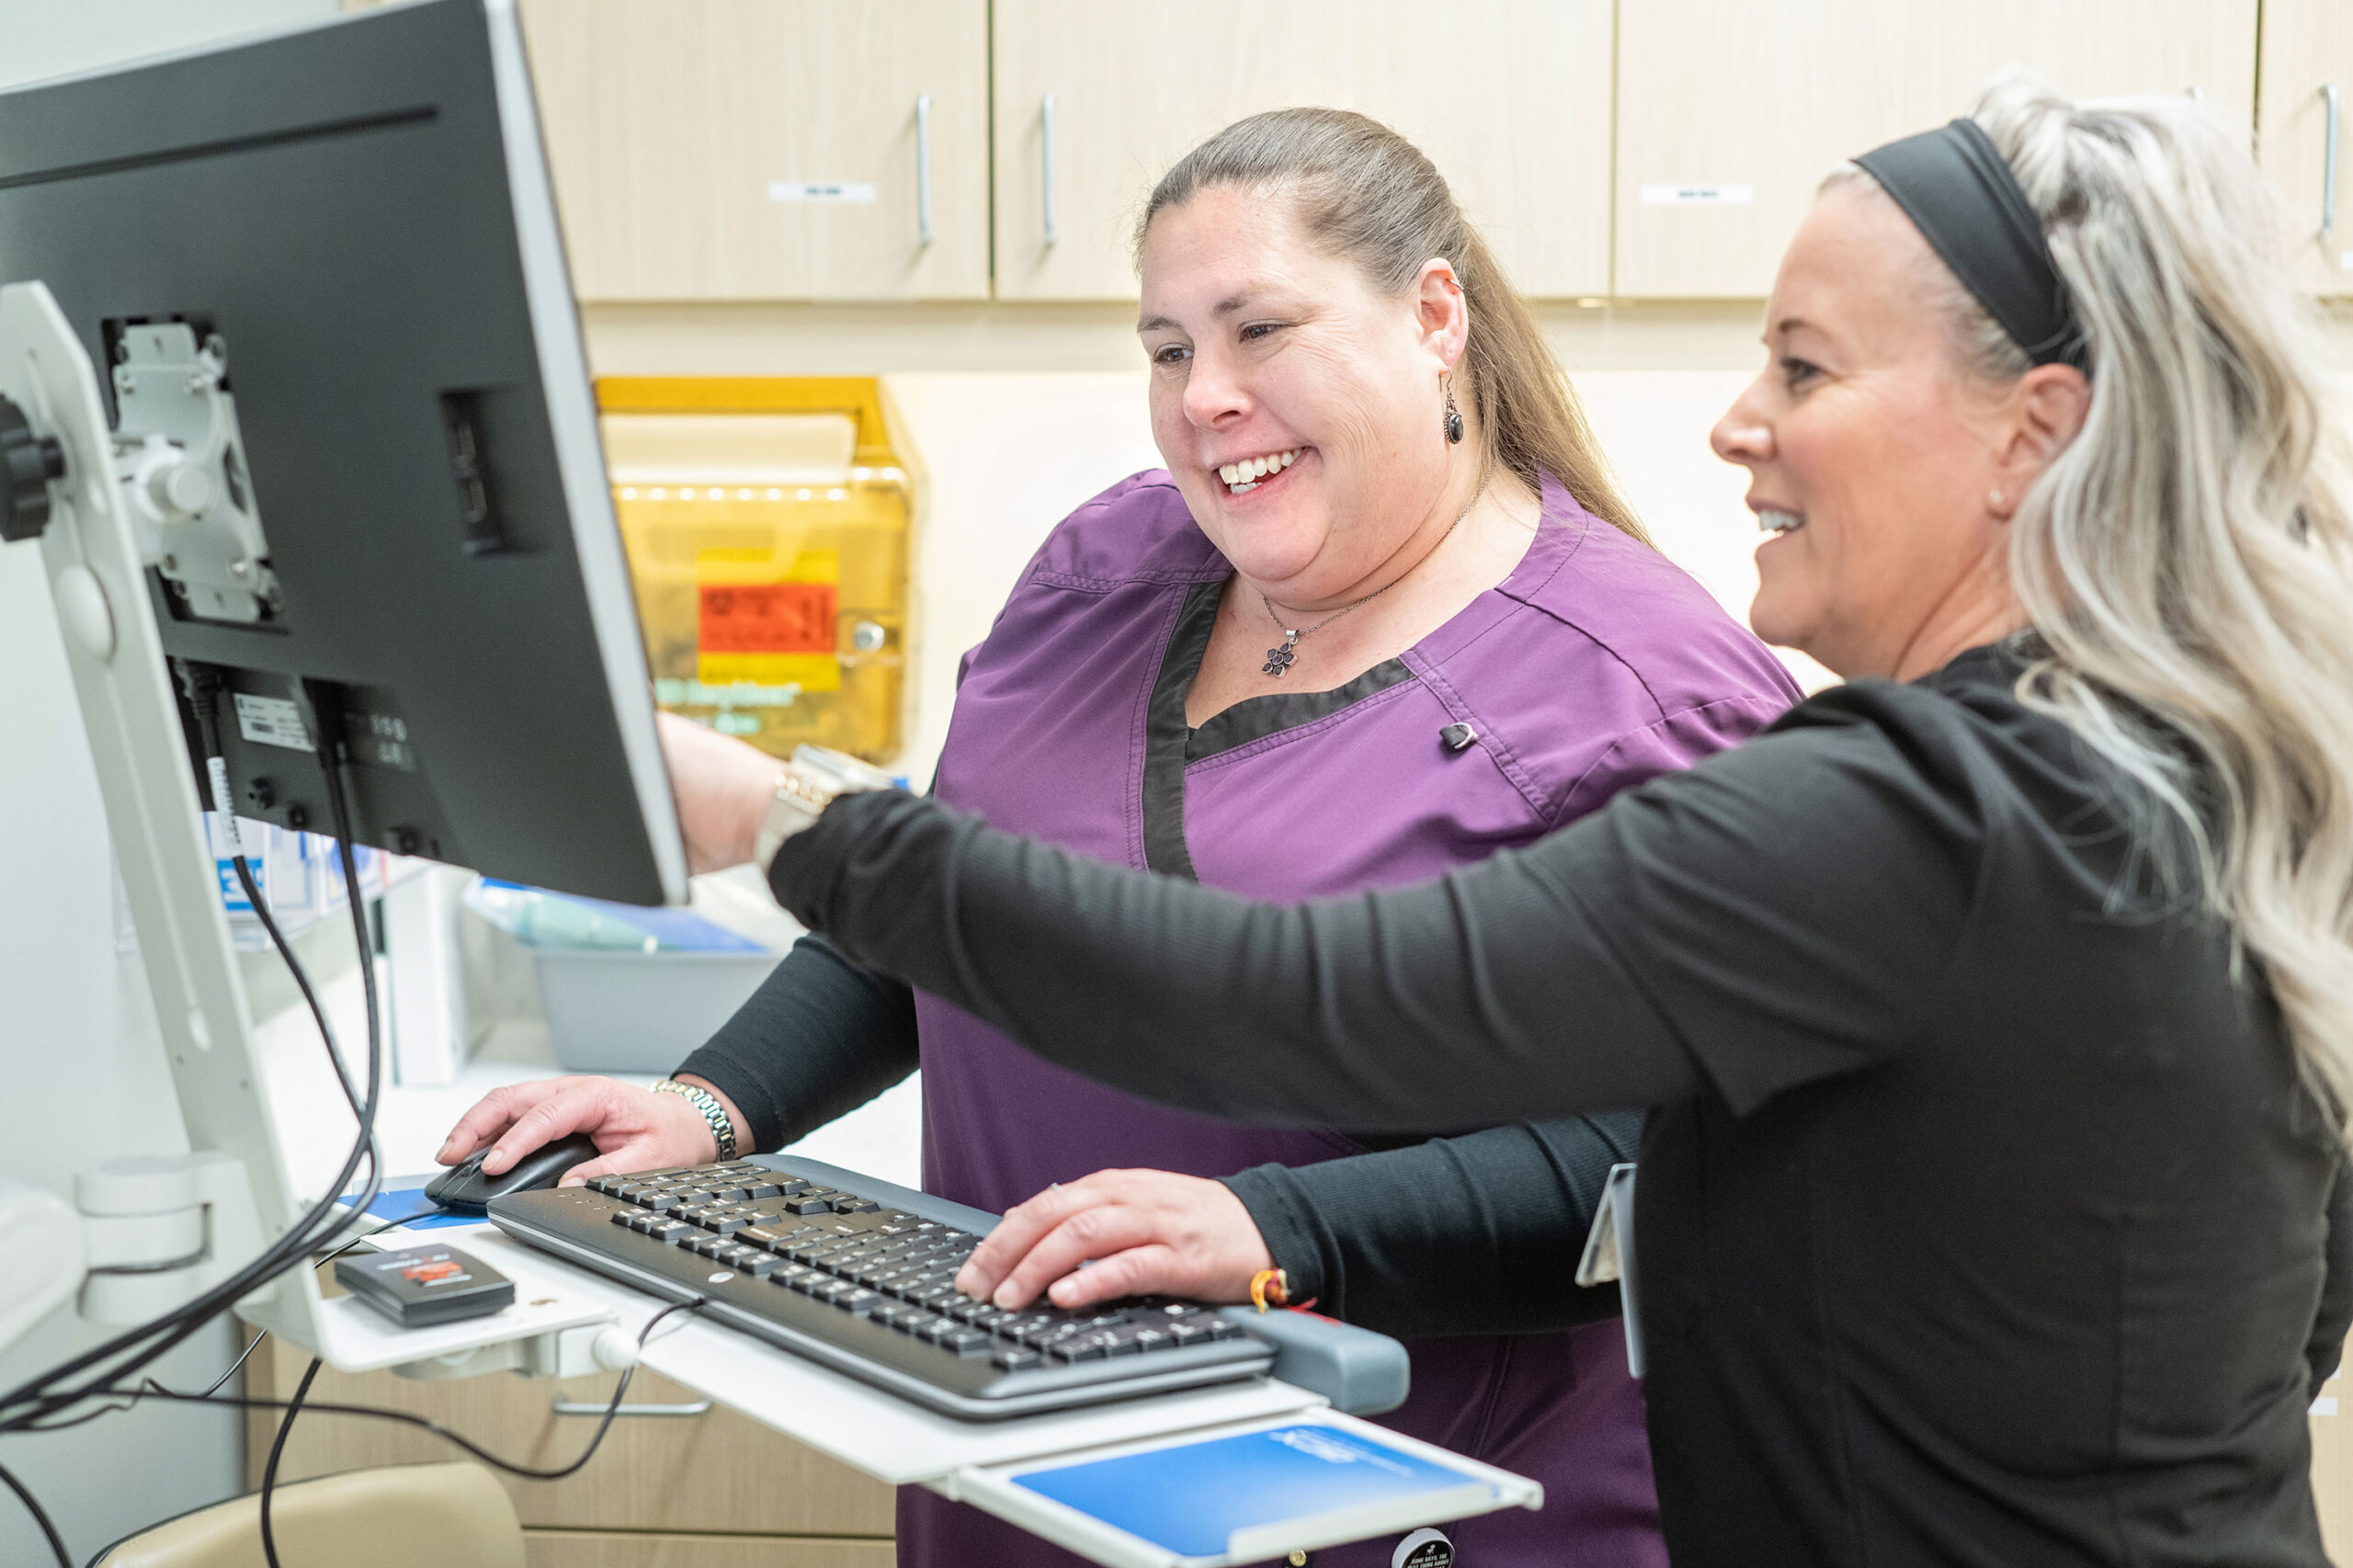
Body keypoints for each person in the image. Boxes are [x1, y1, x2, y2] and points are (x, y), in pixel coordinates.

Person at [671, 82, 2353, 1567]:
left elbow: (1305, 1004)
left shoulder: (1914, 814)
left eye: (1804, 365)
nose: (1734, 422)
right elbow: (2301, 1318)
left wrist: (776, 814)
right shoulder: (2195, 769)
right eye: (1170, 348)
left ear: (2028, 434)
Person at [442, 109, 1802, 1567]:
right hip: (1015, 1456)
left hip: (1402, 1508)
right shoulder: (1105, 574)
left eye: (1260, 328)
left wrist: (1276, 1227)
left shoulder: (1640, 690)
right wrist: (712, 1107)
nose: (1207, 396)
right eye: (1167, 347)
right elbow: (937, 921)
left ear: (1432, 316)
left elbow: (1674, 1166)